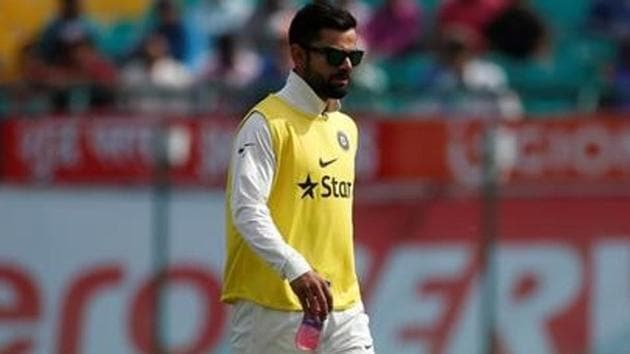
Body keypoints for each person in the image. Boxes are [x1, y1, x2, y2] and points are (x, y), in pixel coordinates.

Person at [221, 2, 374, 353]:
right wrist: (296, 270)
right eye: (334, 56)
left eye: (355, 56)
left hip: (343, 307)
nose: (347, 66)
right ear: (298, 55)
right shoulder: (265, 123)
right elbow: (246, 209)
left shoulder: (345, 127)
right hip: (272, 310)